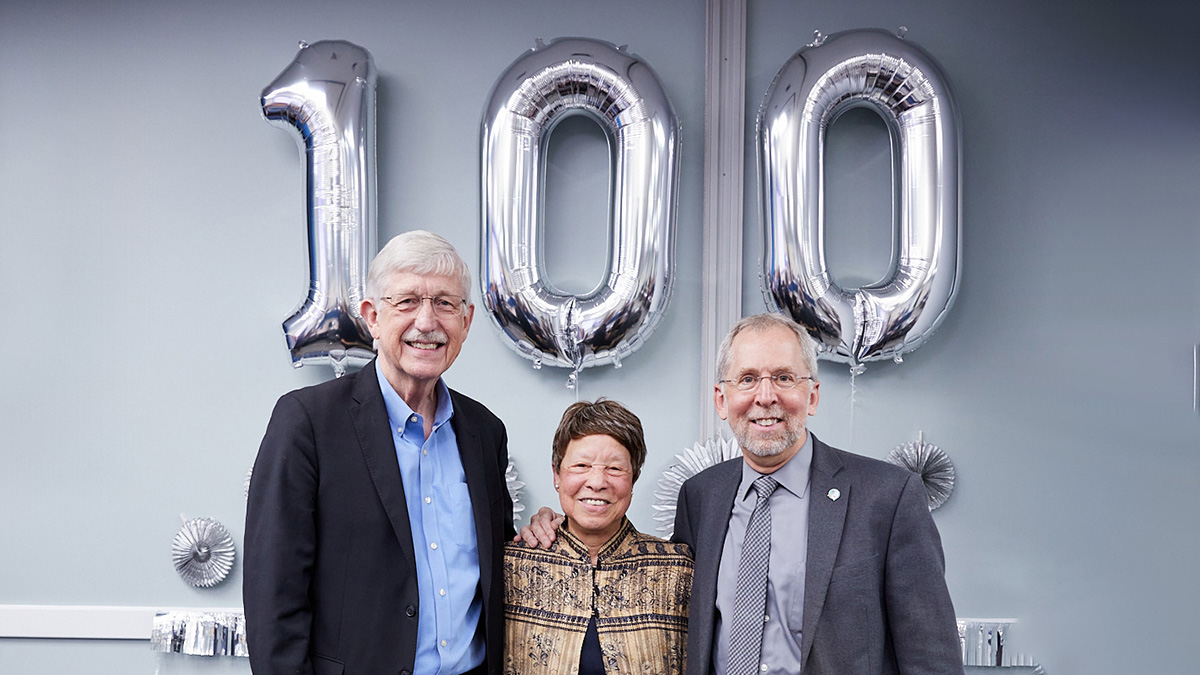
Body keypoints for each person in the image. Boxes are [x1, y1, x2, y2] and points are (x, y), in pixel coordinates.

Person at [523, 313, 962, 675]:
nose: (764, 397)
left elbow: (932, 659)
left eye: (784, 377)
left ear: (812, 394)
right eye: (747, 379)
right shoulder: (701, 497)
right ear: (721, 399)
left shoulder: (887, 496)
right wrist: (556, 524)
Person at [245, 230, 514, 675]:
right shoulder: (307, 422)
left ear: (466, 321)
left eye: (445, 303)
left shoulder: (485, 432)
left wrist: (551, 529)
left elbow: (497, 567)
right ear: (372, 316)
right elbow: (273, 595)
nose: (427, 322)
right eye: (407, 301)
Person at [504, 399, 693, 675]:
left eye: (615, 468)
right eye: (581, 465)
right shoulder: (513, 565)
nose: (597, 481)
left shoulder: (678, 568)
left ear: (634, 478)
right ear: (556, 474)